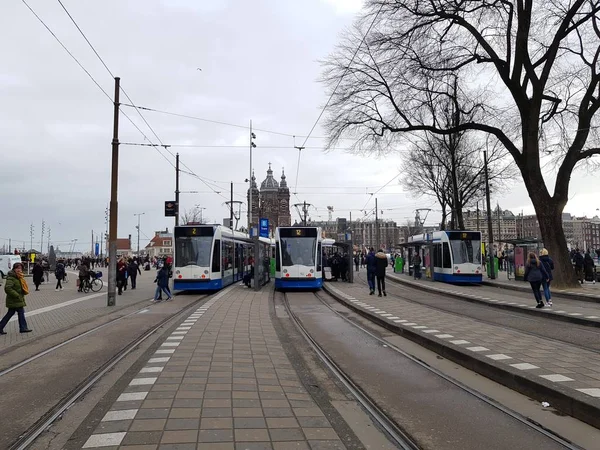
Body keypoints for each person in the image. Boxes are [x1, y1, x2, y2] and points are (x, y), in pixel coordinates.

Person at [0, 262, 32, 334]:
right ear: (14, 269)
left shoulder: (19, 277)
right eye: (17, 268)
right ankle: (23, 328)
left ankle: (1, 327)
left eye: (20, 268)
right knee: (20, 313)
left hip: (17, 299)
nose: (19, 270)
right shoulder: (11, 278)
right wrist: (16, 295)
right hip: (14, 299)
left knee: (11, 313)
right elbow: (7, 288)